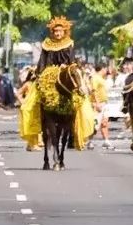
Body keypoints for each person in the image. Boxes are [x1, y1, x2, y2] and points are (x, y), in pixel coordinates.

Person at [20, 16, 95, 150]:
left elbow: (71, 62)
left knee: (81, 101)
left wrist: (66, 68)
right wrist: (41, 74)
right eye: (55, 31)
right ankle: (33, 138)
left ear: (64, 31)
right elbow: (42, 61)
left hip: (65, 72)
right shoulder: (46, 44)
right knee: (28, 105)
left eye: (60, 31)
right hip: (47, 75)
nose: (57, 33)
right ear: (52, 32)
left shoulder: (69, 44)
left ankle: (76, 135)